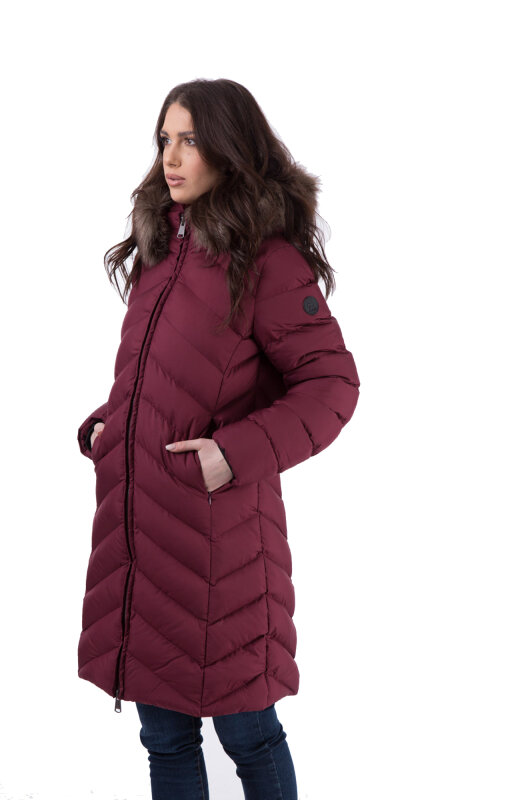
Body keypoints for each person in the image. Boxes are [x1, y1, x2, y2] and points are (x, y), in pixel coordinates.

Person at [76, 78, 360, 800]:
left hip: (220, 552)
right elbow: (169, 377)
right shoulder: (160, 253)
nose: (171, 158)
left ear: (230, 150)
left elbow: (332, 385)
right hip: (143, 539)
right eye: (164, 140)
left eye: (191, 141)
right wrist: (112, 422)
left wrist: (230, 455)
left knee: (248, 734)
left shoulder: (267, 261)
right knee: (164, 736)